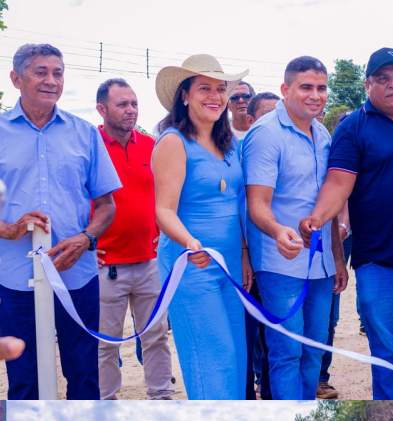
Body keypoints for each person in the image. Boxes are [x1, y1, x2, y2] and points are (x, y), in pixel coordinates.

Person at [300, 47, 393, 400]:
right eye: (382, 79)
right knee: (388, 358)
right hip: (379, 264)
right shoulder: (353, 126)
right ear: (368, 84)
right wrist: (317, 218)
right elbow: (339, 182)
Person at [0, 43, 120, 400]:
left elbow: (107, 206)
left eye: (58, 72)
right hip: (13, 279)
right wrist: (8, 229)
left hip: (77, 276)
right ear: (16, 79)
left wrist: (85, 238)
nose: (52, 80)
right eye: (41, 72)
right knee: (24, 380)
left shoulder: (84, 133)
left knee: (84, 375)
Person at [243, 56, 347, 400]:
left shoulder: (323, 133)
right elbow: (256, 204)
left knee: (314, 351)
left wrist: (337, 257)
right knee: (287, 351)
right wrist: (276, 231)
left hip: (321, 264)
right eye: (306, 87)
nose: (315, 95)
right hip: (280, 262)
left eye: (321, 88)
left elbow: (327, 205)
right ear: (286, 89)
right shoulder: (265, 134)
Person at [152, 54, 253, 400]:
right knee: (213, 356)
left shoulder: (230, 144)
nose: (215, 96)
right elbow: (163, 211)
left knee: (238, 356)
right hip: (192, 264)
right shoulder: (173, 142)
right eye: (204, 89)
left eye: (220, 89)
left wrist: (243, 255)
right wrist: (190, 242)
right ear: (185, 95)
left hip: (229, 265)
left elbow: (235, 205)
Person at [94, 78, 174, 401]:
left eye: (133, 104)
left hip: (149, 262)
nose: (130, 110)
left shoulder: (151, 146)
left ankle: (161, 396)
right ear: (102, 109)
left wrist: (160, 237)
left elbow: (165, 196)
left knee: (155, 336)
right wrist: (87, 245)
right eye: (121, 104)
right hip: (106, 265)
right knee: (105, 342)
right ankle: (106, 400)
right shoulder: (90, 146)